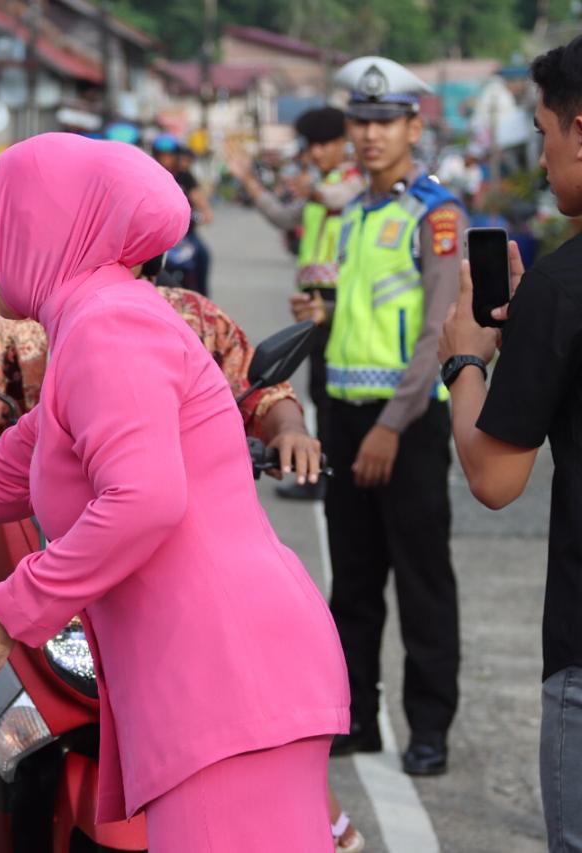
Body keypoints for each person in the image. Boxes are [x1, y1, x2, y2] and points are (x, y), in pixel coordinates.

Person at [0, 132, 349, 851]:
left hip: (224, 672)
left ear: (47, 232)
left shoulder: (107, 327)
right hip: (214, 672)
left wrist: (12, 608)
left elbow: (145, 499)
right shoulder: (95, 319)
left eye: (4, 230)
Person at [0, 275, 341, 848]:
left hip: (189, 638)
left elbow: (160, 485)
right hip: (37, 556)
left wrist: (292, 432)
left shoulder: (144, 322)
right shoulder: (22, 323)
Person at [437, 36, 582, 850]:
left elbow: (495, 478)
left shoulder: (560, 290)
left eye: (543, 131)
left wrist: (467, 359)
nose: (543, 154)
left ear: (580, 132)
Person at [319, 56, 467, 776]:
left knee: (420, 579)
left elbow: (438, 330)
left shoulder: (435, 214)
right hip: (345, 415)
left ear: (413, 126)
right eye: (361, 120)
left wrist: (390, 425)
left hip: (405, 426)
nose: (371, 135)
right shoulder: (354, 213)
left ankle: (429, 727)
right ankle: (355, 716)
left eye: (386, 121)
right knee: (351, 579)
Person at [228, 108, 364, 500]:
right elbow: (285, 218)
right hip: (312, 301)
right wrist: (249, 182)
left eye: (325, 144)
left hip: (340, 301)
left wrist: (313, 190)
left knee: (334, 391)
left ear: (343, 143)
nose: (317, 153)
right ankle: (322, 473)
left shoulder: (355, 181)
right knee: (321, 389)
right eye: (312, 145)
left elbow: (339, 197)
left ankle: (330, 477)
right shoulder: (320, 186)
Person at [152, 133, 212, 294]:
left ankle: (201, 298)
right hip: (157, 235)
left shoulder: (185, 177)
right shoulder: (150, 174)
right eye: (161, 155)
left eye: (169, 155)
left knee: (203, 255)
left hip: (185, 236)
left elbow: (199, 200)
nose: (165, 159)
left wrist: (205, 213)